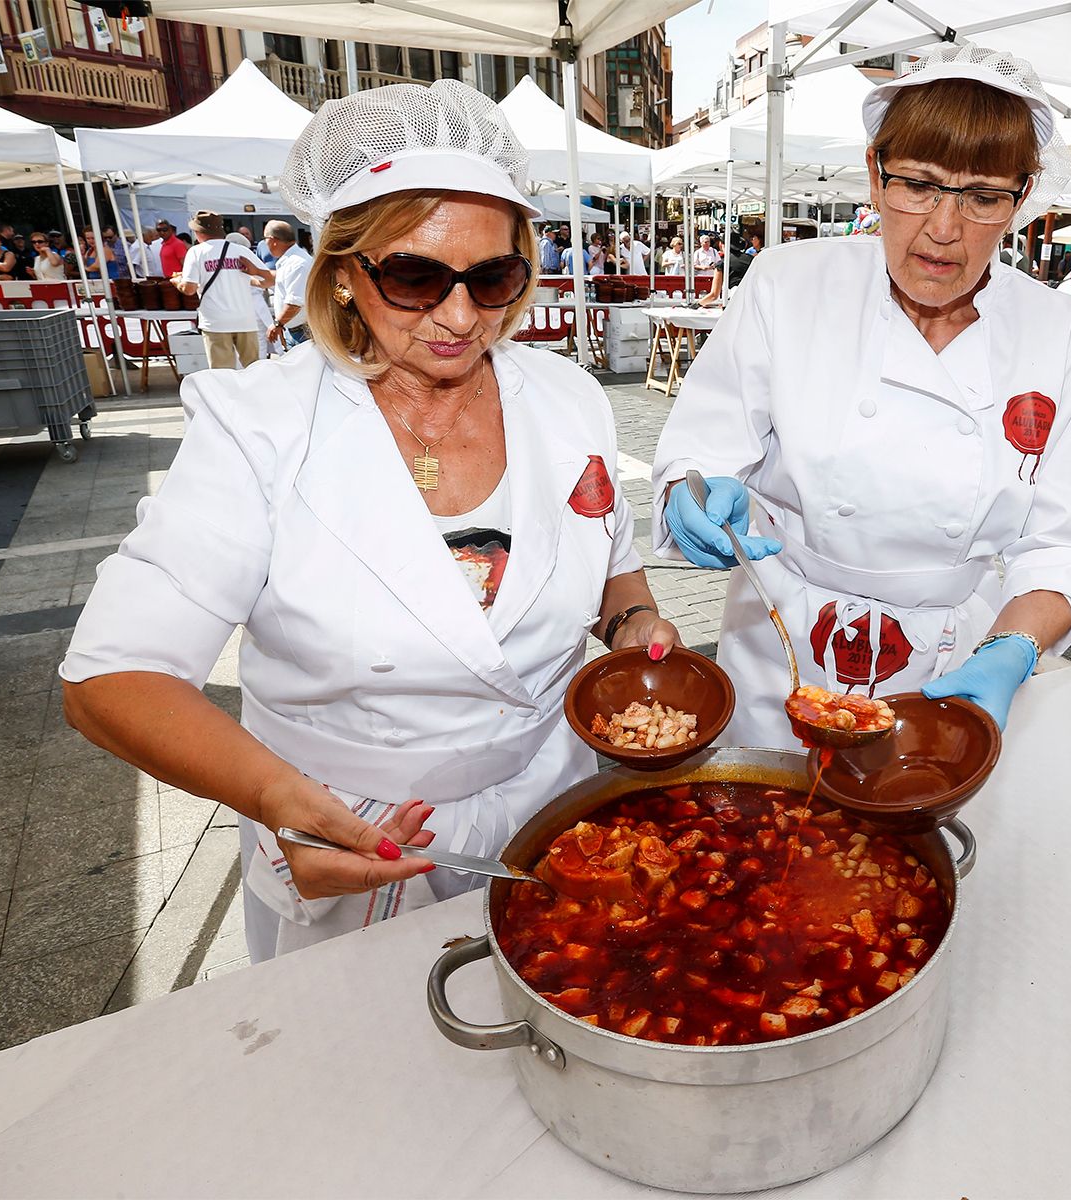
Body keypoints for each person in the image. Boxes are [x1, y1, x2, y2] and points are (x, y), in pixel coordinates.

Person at [59, 79, 681, 963]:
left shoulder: (567, 398)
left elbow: (606, 562)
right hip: (357, 840)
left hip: (555, 806)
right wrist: (278, 800)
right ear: (345, 275)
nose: (463, 317)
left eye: (493, 277)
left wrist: (631, 622)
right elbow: (110, 679)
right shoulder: (259, 424)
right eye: (416, 278)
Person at [651, 45, 1071, 748]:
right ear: (873, 173)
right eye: (918, 185)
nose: (945, 228)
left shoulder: (1057, 331)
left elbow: (1061, 542)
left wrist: (1012, 649)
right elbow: (704, 449)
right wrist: (693, 490)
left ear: (1022, 198)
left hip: (954, 663)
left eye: (983, 197)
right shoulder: (787, 284)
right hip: (785, 647)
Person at [176, 210, 275, 370]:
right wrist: (251, 277)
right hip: (245, 320)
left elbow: (189, 289)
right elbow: (269, 281)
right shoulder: (241, 250)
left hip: (215, 322)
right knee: (253, 370)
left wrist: (177, 282)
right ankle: (255, 395)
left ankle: (228, 396)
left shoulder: (196, 252)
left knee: (222, 373)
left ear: (198, 232)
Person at [261, 220, 312, 351]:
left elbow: (295, 301)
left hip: (303, 332)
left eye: (265, 239)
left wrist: (278, 324)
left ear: (272, 240)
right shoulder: (291, 261)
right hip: (296, 331)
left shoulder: (297, 263)